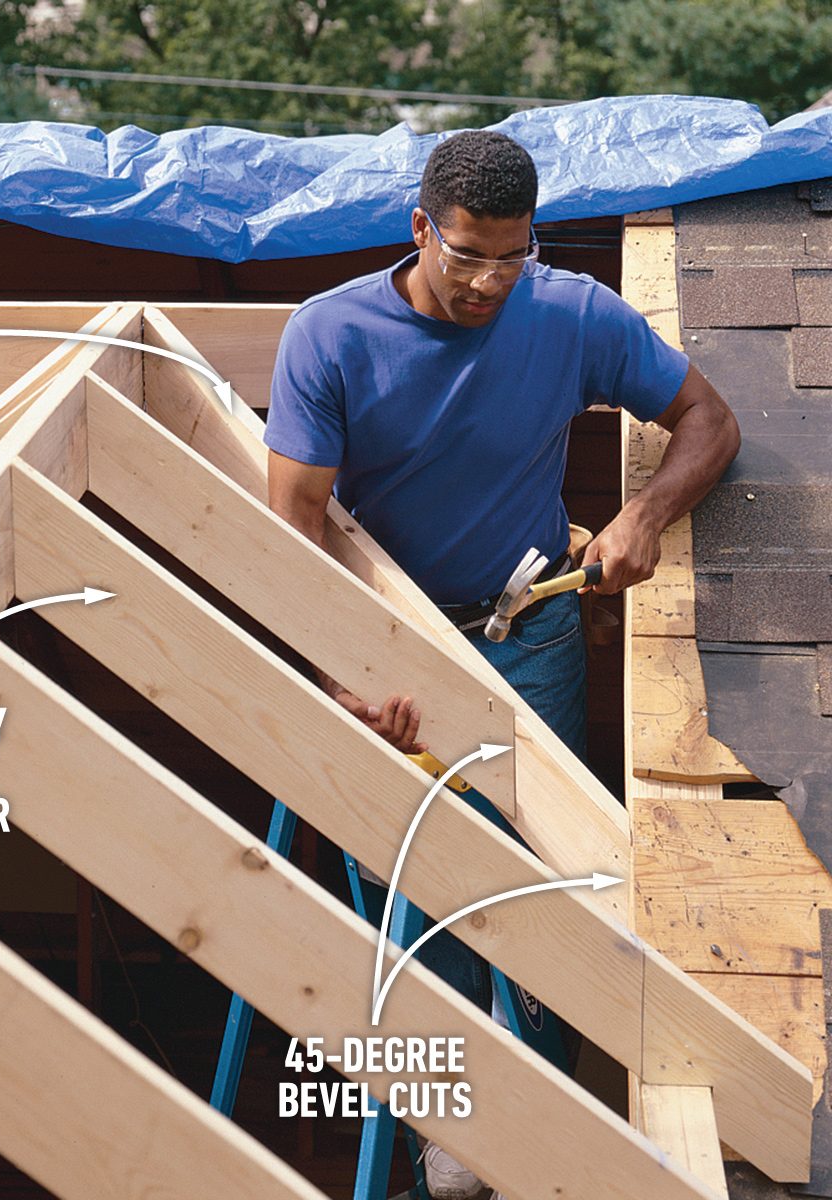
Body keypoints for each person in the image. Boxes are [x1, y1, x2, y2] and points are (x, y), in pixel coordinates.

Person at [263, 129, 740, 1200]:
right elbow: (290, 527)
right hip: (389, 649)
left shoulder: (570, 314)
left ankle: (544, 1135)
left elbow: (710, 419)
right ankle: (451, 1140)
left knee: (544, 897)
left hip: (528, 635)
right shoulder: (330, 335)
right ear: (420, 229)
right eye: (466, 255)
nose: (487, 282)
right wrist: (340, 676)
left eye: (510, 258)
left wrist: (644, 514)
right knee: (414, 891)